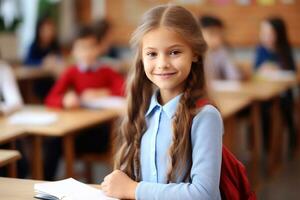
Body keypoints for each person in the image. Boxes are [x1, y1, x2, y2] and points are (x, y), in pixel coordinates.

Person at [101, 5, 223, 199]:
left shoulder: (205, 116)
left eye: (174, 52)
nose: (162, 63)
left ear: (195, 54)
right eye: (152, 54)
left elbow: (203, 194)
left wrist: (132, 189)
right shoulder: (139, 110)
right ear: (141, 57)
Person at [43, 25, 124, 180]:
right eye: (81, 48)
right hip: (78, 130)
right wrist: (64, 101)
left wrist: (103, 92)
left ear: (99, 48)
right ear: (73, 51)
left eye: (91, 47)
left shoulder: (106, 70)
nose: (87, 52)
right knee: (53, 142)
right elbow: (50, 99)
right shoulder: (71, 72)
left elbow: (126, 89)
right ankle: (45, 184)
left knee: (63, 143)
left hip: (103, 131)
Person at [254, 17, 297, 156]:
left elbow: (292, 71)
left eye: (270, 33)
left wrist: (277, 68)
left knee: (287, 111)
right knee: (263, 111)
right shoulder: (260, 49)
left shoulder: (284, 48)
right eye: (263, 33)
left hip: (284, 93)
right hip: (265, 93)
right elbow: (256, 70)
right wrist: (262, 69)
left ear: (279, 34)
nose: (265, 37)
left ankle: (292, 142)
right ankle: (266, 146)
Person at [0, 61, 28, 178]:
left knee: (18, 165)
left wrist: (2, 109)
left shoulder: (3, 68)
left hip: (4, 127)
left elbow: (16, 101)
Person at [199, 15, 241, 81]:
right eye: (212, 34)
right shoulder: (193, 54)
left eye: (219, 35)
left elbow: (234, 76)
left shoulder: (222, 51)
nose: (217, 39)